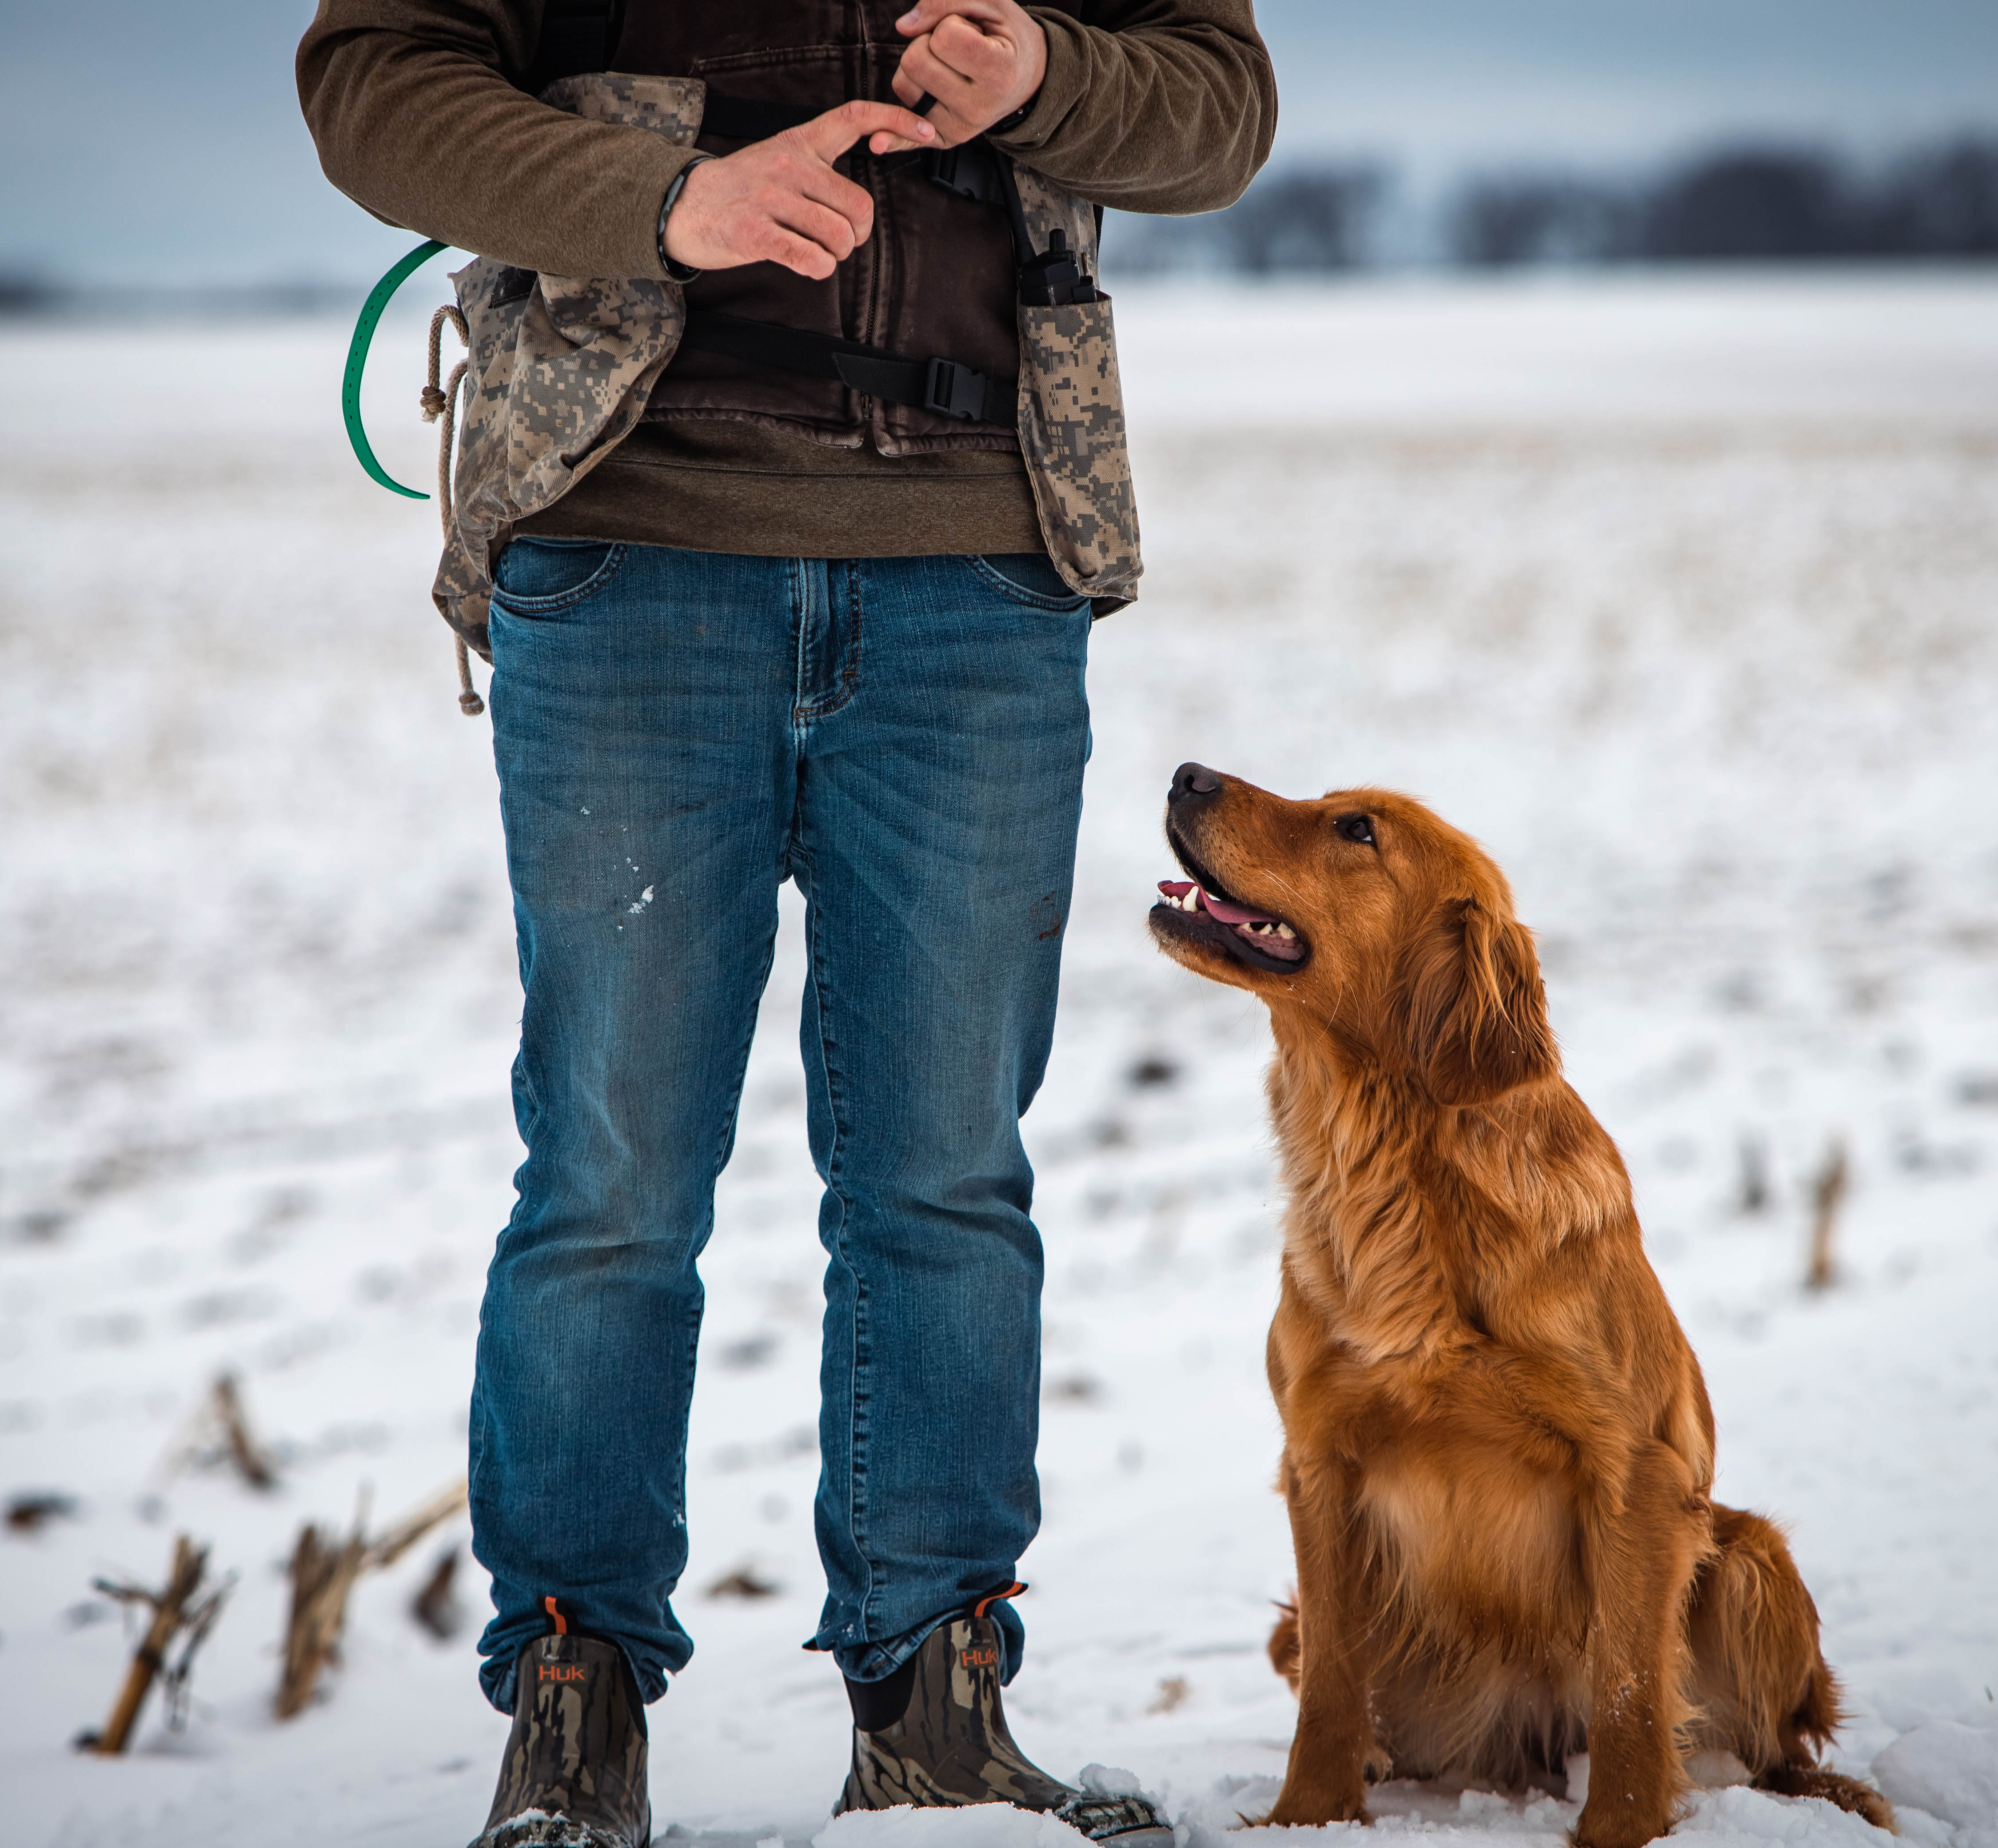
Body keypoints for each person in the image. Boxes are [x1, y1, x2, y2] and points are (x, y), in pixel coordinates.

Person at [295, 5, 1274, 1846]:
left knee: (946, 1174)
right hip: (632, 549)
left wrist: (1051, 80)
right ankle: (571, 1720)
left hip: (981, 570)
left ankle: (940, 1710)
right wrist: (666, 199)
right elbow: (374, 81)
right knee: (611, 1173)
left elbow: (1221, 106)